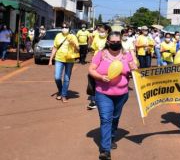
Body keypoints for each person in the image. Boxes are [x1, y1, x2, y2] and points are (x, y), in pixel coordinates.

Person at [88, 31, 136, 160]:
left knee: (115, 117)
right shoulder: (101, 54)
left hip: (122, 94)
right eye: (112, 42)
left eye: (118, 41)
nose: (115, 44)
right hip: (103, 93)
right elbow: (91, 69)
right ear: (108, 42)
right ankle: (105, 149)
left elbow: (134, 69)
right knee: (106, 119)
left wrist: (133, 70)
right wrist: (100, 77)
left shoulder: (126, 55)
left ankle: (112, 137)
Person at [48, 22, 79, 103]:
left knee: (66, 79)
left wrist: (73, 43)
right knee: (57, 77)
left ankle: (63, 95)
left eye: (66, 27)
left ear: (69, 28)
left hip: (70, 60)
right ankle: (61, 91)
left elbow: (78, 49)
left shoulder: (73, 36)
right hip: (59, 59)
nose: (64, 29)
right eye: (63, 27)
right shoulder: (58, 36)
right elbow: (55, 47)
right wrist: (50, 60)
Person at [88, 24, 111, 110]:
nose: (101, 33)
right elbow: (93, 49)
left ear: (107, 31)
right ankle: (93, 100)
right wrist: (93, 59)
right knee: (93, 79)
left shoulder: (110, 39)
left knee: (105, 80)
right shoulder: (96, 37)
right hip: (96, 61)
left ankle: (106, 99)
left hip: (106, 62)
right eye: (99, 31)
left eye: (102, 31)